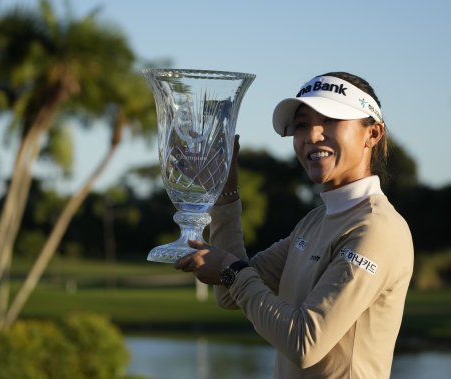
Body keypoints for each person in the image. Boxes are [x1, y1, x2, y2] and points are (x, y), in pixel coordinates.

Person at [174, 72, 414, 378]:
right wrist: (225, 195)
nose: (312, 136)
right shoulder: (314, 221)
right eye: (302, 124)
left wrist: (232, 271)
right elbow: (228, 293)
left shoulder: (376, 229)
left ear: (373, 133)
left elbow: (305, 343)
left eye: (330, 119)